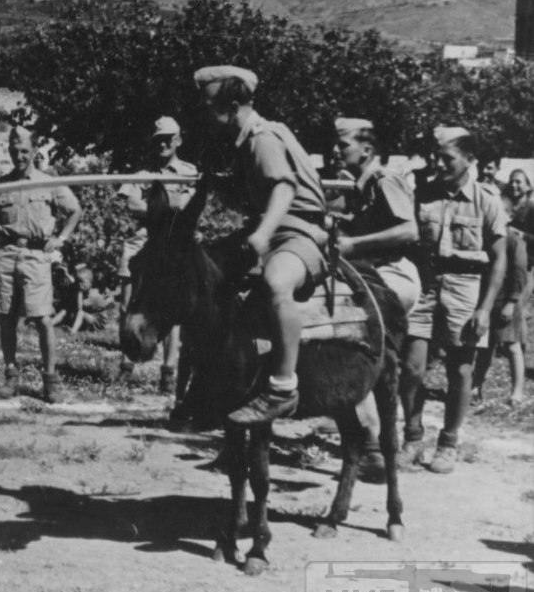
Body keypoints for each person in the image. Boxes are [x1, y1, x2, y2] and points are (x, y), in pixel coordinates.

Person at [194, 66, 328, 424]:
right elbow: (253, 192)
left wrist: (263, 233)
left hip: (298, 233)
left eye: (209, 106)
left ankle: (283, 388)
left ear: (232, 107)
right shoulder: (243, 142)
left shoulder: (262, 138)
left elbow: (283, 188)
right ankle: (213, 381)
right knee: (205, 273)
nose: (204, 114)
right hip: (275, 229)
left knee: (276, 282)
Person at [400, 126, 508, 474]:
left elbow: (499, 259)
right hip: (425, 284)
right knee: (411, 367)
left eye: (447, 158)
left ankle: (448, 442)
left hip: (466, 287)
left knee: (460, 369)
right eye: (436, 157)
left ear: (470, 159)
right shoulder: (422, 194)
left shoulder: (486, 200)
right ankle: (412, 436)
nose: (439, 163)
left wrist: (485, 308)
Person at [333, 117, 421, 477]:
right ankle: (372, 443)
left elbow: (409, 230)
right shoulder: (359, 184)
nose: (336, 150)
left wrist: (353, 244)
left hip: (393, 274)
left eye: (343, 145)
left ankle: (376, 444)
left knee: (360, 350)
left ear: (367, 149)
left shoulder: (385, 179)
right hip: (372, 274)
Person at [0, 126, 82, 403]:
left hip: (36, 256)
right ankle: (11, 376)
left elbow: (75, 210)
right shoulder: (0, 184)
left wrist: (61, 239)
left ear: (34, 151)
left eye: (25, 151)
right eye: (14, 151)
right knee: (7, 318)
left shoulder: (48, 183)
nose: (19, 156)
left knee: (43, 319)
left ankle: (50, 381)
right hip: (6, 254)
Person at [117, 116, 197, 396]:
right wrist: (166, 206)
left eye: (168, 139)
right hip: (140, 242)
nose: (163, 144)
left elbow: (187, 206)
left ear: (178, 140)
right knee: (127, 305)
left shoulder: (188, 172)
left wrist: (155, 206)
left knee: (171, 309)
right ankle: (126, 364)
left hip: (171, 245)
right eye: (158, 140)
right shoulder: (142, 173)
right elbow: (131, 204)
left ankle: (168, 372)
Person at [471, 210, 529, 405]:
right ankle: (476, 387)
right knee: (484, 347)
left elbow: (520, 272)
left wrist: (512, 302)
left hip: (506, 299)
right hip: (487, 298)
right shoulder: (486, 236)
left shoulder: (513, 240)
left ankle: (517, 392)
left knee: (512, 346)